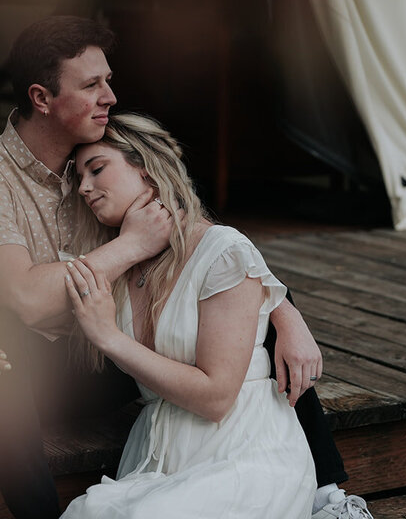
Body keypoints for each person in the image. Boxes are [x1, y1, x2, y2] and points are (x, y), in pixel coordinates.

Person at [0, 15, 373, 519]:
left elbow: (207, 247)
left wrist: (287, 313)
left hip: (109, 351)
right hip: (43, 365)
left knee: (252, 316)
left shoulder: (94, 155)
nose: (110, 97)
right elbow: (26, 298)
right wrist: (132, 245)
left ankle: (328, 495)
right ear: (41, 98)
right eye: (92, 85)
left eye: (108, 81)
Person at [60, 113, 314, 517]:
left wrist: (109, 337)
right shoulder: (116, 262)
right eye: (78, 179)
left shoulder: (222, 251)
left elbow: (216, 398)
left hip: (240, 452)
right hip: (157, 454)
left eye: (97, 169)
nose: (84, 188)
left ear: (145, 167)